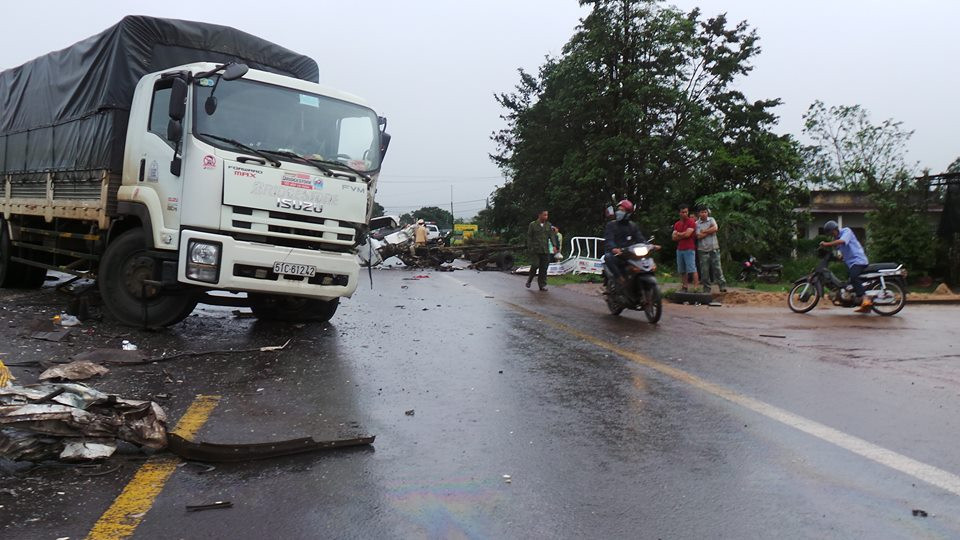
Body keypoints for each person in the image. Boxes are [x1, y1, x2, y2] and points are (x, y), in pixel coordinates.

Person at [820, 220, 872, 312]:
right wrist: (839, 258)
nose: (833, 235)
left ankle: (866, 298)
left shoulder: (846, 231)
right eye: (831, 234)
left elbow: (842, 241)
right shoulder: (837, 239)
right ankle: (863, 305)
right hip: (852, 263)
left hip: (858, 260)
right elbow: (844, 250)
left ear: (835, 229)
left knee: (853, 277)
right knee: (849, 284)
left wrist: (827, 244)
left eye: (832, 233)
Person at [603, 199, 652, 288]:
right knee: (608, 257)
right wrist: (614, 249)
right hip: (617, 254)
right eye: (618, 210)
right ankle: (620, 278)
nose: (618, 212)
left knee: (645, 260)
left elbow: (640, 238)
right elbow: (608, 240)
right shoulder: (611, 225)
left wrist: (649, 245)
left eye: (622, 210)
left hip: (630, 254)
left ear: (628, 213)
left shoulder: (632, 226)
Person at [695, 205, 727, 293]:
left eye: (705, 212)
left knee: (717, 268)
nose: (704, 214)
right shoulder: (696, 224)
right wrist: (710, 230)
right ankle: (706, 289)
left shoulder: (711, 219)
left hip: (714, 248)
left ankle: (722, 286)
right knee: (704, 271)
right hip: (702, 249)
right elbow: (698, 236)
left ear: (707, 212)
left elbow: (715, 228)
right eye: (702, 212)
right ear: (698, 214)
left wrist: (705, 231)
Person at [526, 210, 560, 291]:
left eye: (547, 215)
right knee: (535, 265)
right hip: (535, 250)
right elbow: (529, 237)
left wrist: (554, 246)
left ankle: (542, 285)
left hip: (545, 250)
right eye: (544, 215)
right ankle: (529, 280)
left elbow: (551, 236)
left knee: (544, 268)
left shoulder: (548, 225)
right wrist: (530, 247)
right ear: (539, 215)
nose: (546, 217)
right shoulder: (533, 225)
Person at [672, 204, 699, 292]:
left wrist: (679, 234)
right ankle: (685, 286)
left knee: (692, 269)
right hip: (680, 249)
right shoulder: (677, 224)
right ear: (679, 213)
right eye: (683, 212)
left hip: (689, 248)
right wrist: (683, 234)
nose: (685, 214)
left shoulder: (691, 222)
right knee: (682, 270)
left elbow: (688, 234)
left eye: (686, 212)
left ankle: (695, 287)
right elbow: (673, 238)